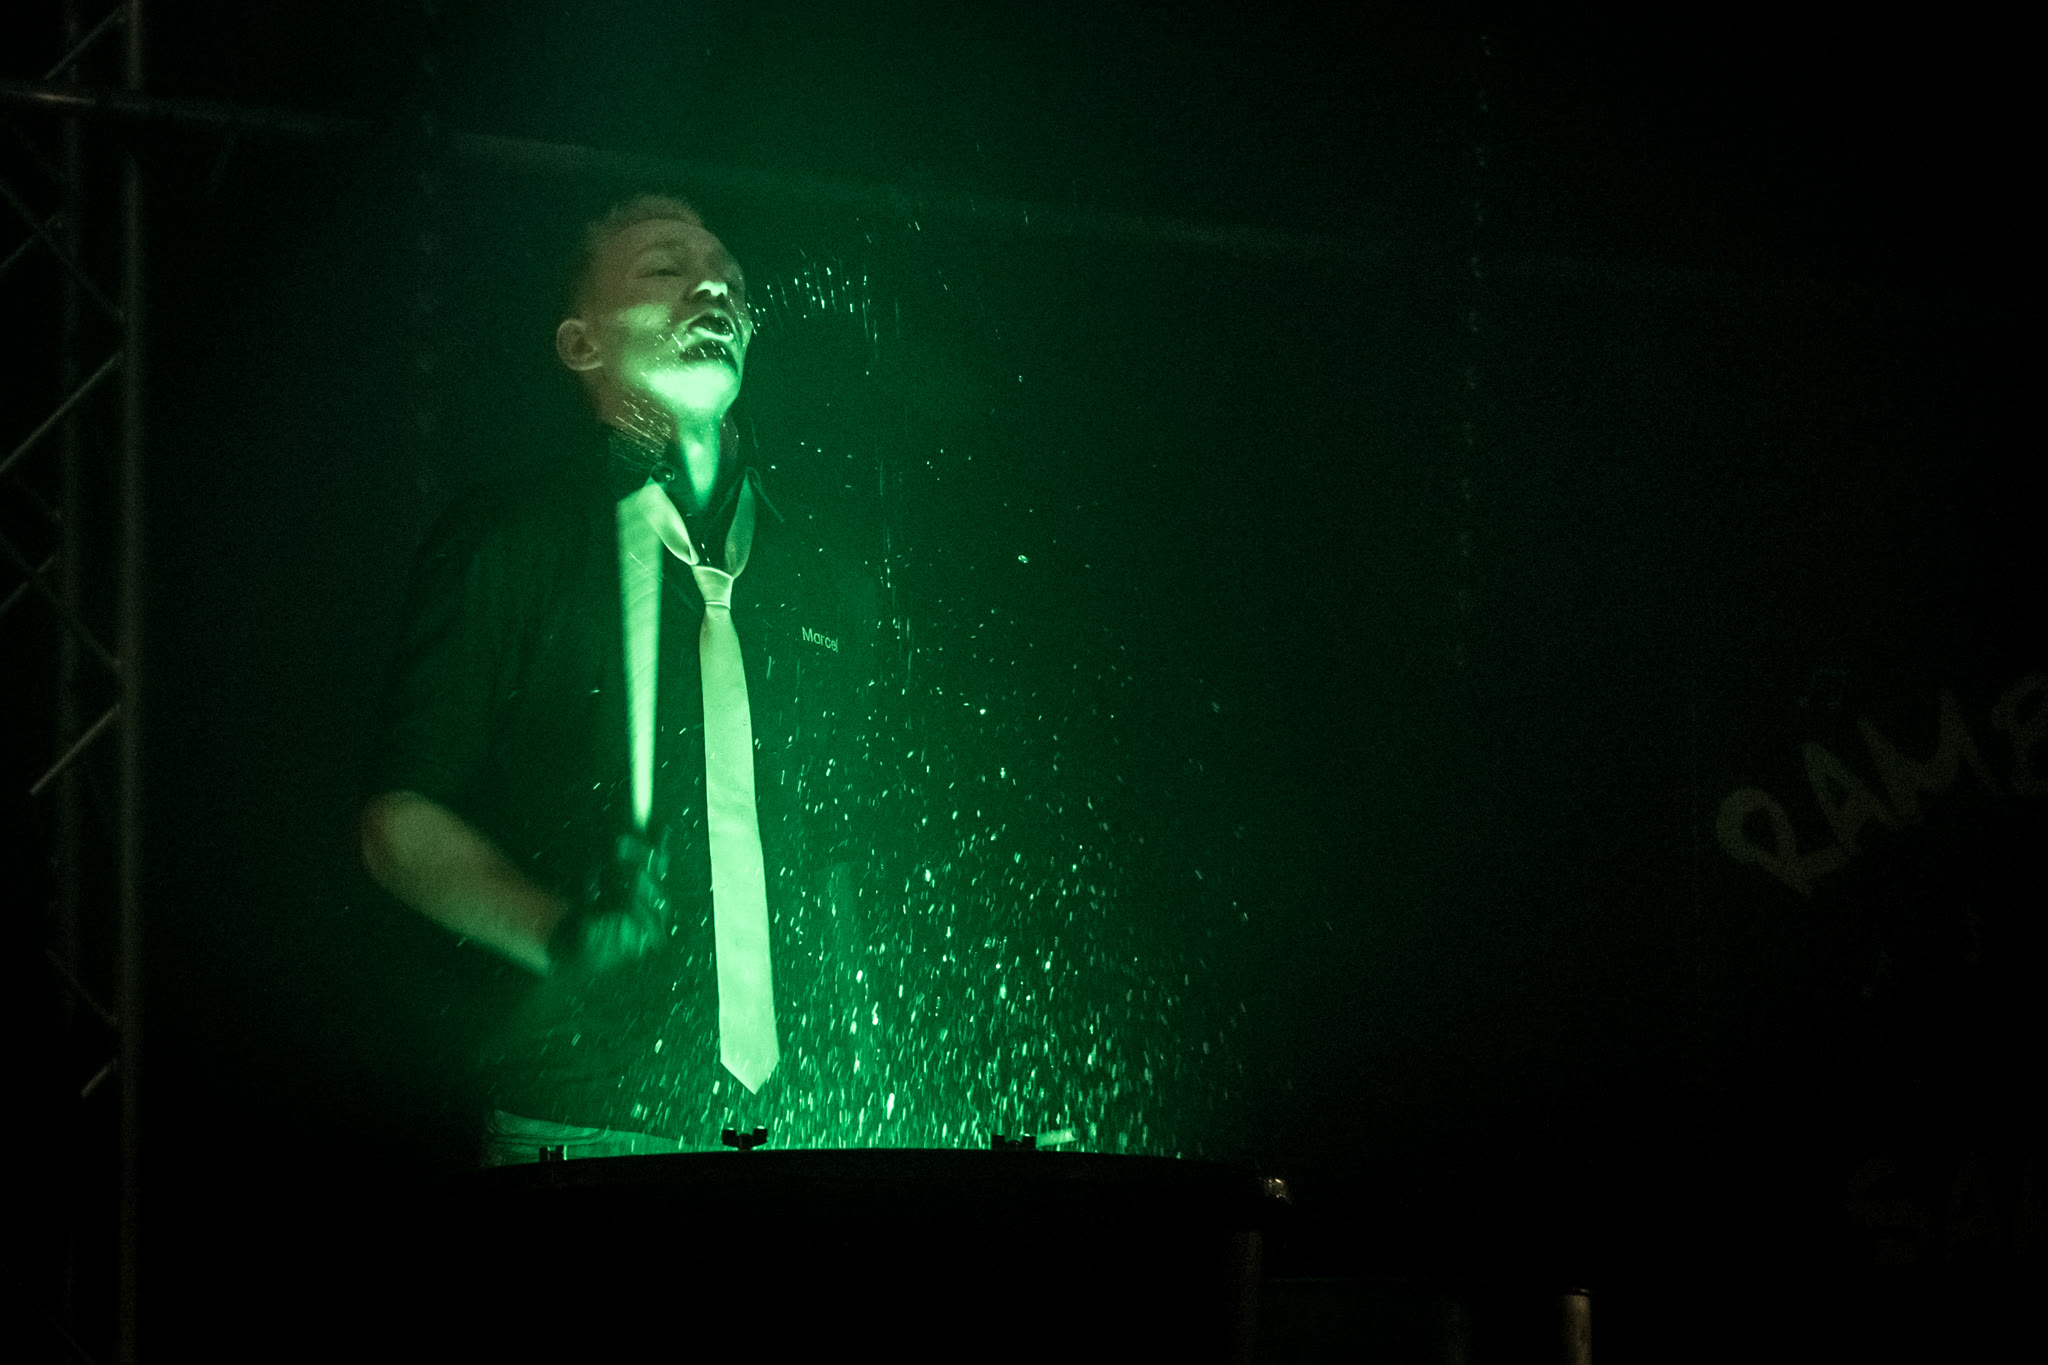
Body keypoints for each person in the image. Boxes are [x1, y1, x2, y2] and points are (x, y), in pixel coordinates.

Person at [361, 193, 883, 1162]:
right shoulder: (512, 539)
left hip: (809, 1126)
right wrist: (559, 933)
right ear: (581, 343)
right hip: (587, 1117)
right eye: (664, 268)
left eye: (729, 279)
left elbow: (834, 852)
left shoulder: (824, 573)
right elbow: (400, 823)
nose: (712, 290)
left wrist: (866, 1057)